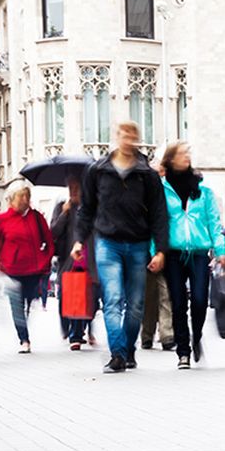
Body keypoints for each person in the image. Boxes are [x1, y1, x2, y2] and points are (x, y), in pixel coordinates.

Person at [73, 121, 169, 373]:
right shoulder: (98, 170)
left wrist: (160, 250)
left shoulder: (146, 173)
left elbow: (159, 212)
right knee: (113, 299)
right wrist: (79, 240)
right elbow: (87, 209)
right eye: (123, 134)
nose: (128, 138)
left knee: (136, 305)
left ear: (137, 138)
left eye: (132, 134)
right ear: (116, 136)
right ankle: (117, 354)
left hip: (138, 244)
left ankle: (128, 349)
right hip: (107, 243)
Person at [160, 141, 225, 370]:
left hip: (199, 252)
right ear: (170, 159)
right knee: (178, 303)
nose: (187, 156)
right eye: (181, 153)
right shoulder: (162, 189)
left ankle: (196, 335)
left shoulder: (203, 190)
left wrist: (220, 250)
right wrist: (155, 251)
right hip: (174, 253)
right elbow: (157, 223)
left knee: (199, 300)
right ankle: (183, 352)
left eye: (188, 152)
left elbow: (214, 222)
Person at [0, 180, 54, 353]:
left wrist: (45, 259)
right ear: (11, 199)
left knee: (29, 299)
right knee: (16, 303)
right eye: (21, 196)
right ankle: (24, 339)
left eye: (27, 195)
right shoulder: (2, 219)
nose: (25, 199)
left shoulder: (36, 217)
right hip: (12, 268)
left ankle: (23, 324)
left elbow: (48, 241)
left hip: (34, 269)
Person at [51, 174, 98, 351]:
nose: (74, 192)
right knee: (67, 297)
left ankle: (80, 330)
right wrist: (65, 212)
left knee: (91, 298)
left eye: (77, 188)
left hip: (90, 260)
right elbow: (54, 231)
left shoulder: (91, 207)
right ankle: (74, 334)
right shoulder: (61, 207)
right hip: (69, 262)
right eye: (71, 188)